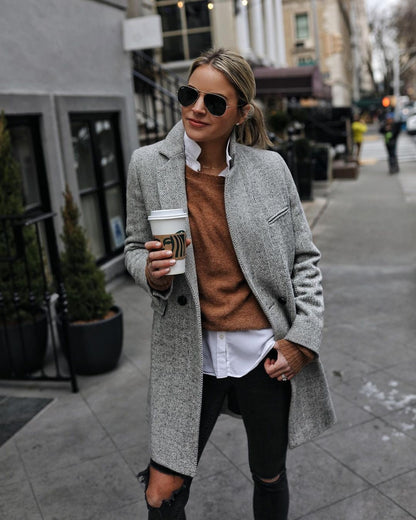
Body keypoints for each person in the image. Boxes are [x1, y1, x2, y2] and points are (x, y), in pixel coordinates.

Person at [124, 48, 336, 520]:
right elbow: (134, 246)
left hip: (262, 353)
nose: (197, 109)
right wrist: (150, 272)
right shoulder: (148, 166)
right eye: (189, 95)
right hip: (188, 354)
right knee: (161, 492)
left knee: (269, 475)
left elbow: (304, 260)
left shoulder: (270, 170)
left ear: (240, 113)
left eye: (215, 102)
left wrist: (302, 340)